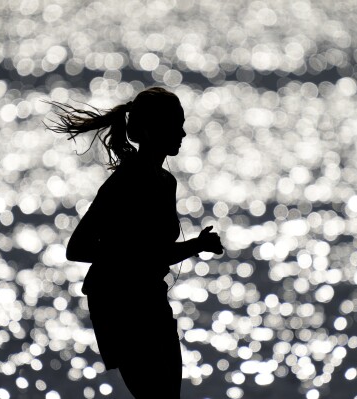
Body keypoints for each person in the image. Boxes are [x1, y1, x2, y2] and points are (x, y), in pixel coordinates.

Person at [44, 87, 224, 398]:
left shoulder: (166, 182)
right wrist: (132, 254)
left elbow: (156, 255)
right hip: (120, 308)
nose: (182, 132)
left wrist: (196, 245)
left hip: (153, 301)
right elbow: (77, 247)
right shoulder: (124, 183)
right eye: (174, 125)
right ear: (150, 130)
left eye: (182, 123)